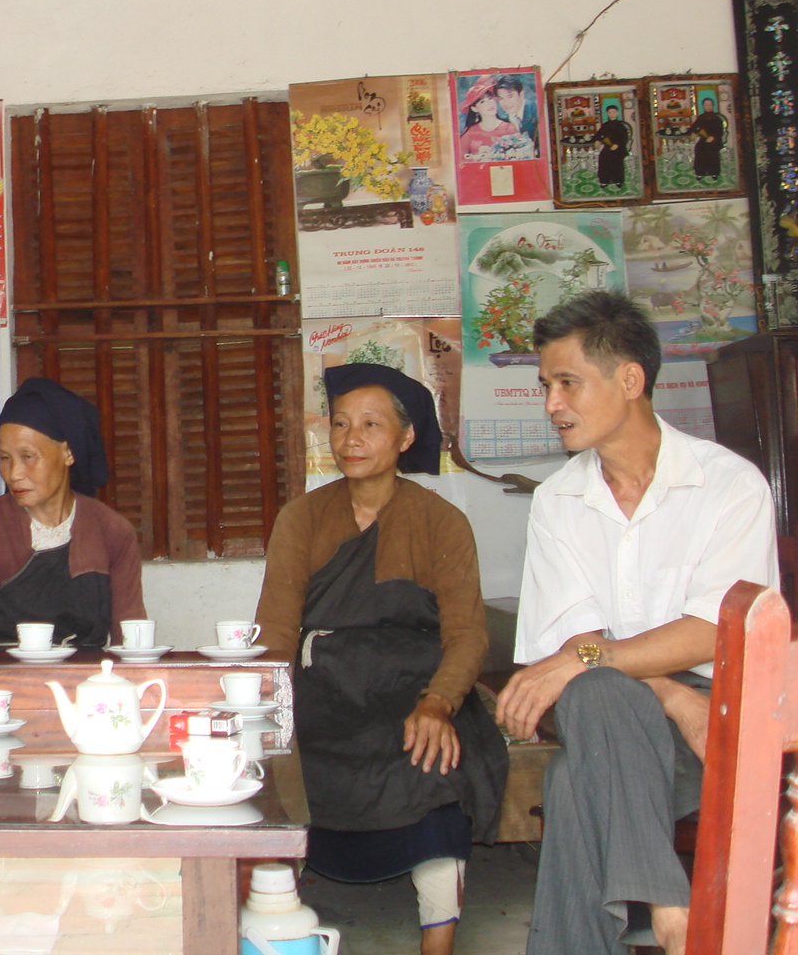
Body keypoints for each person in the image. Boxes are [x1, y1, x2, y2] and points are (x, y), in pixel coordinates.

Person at [497, 291, 777, 955]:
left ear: (629, 379)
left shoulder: (728, 486)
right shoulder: (559, 502)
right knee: (597, 691)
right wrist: (670, 695)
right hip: (632, 710)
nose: (551, 404)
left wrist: (593, 661)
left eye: (567, 383)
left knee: (574, 781)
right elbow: (576, 648)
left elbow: (714, 632)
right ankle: (669, 906)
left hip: (718, 721)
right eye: (545, 386)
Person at [255, 364, 506, 955]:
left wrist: (439, 703)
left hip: (417, 684)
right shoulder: (301, 518)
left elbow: (467, 635)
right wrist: (268, 707)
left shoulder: (441, 521)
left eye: (371, 424)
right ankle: (280, 921)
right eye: (341, 424)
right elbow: (277, 630)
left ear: (406, 437)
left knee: (435, 757)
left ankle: (438, 939)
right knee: (291, 761)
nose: (351, 439)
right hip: (326, 684)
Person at [0, 377, 146, 672]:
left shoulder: (112, 531)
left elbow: (130, 641)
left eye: (28, 456)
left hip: (90, 683)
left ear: (68, 453)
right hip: (2, 683)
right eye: (4, 458)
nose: (14, 473)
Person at [457, 77, 521, 161]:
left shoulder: (509, 128)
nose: (489, 103)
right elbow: (460, 160)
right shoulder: (470, 133)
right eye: (482, 102)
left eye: (490, 98)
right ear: (474, 108)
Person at [494, 74, 539, 148]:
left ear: (521, 94)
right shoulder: (503, 120)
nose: (506, 103)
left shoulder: (536, 110)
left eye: (510, 96)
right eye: (501, 98)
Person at [688, 96, 727, 181]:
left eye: (710, 105)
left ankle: (714, 172)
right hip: (704, 140)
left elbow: (720, 131)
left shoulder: (717, 118)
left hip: (715, 140)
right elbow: (695, 127)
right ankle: (700, 172)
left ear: (712, 106)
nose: (708, 107)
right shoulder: (701, 117)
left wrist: (713, 137)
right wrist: (694, 133)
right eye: (706, 105)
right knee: (699, 148)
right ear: (703, 106)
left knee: (712, 150)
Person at [594, 103, 631, 190]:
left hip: (619, 148)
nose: (612, 114)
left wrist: (617, 144)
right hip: (608, 147)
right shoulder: (605, 125)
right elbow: (599, 134)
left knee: (617, 160)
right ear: (607, 113)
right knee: (603, 158)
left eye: (614, 112)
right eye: (610, 112)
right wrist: (597, 140)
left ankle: (618, 180)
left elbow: (624, 138)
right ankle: (604, 180)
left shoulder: (621, 126)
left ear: (617, 113)